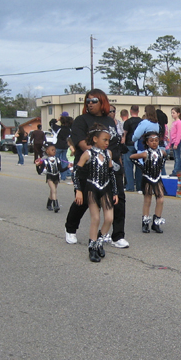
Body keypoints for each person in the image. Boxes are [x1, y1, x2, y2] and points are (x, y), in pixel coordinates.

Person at [64, 89, 129, 249]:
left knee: (118, 199)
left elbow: (113, 144)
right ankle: (70, 228)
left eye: (94, 100)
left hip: (110, 167)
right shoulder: (81, 120)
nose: (90, 103)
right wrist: (98, 155)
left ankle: (117, 236)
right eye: (88, 101)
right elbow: (81, 142)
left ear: (102, 102)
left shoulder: (109, 121)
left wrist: (118, 164)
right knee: (84, 200)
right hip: (89, 167)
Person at [74, 126, 118, 262]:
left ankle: (99, 239)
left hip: (105, 189)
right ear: (95, 139)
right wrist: (79, 190)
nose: (107, 143)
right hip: (92, 189)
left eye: (108, 140)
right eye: (104, 140)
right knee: (96, 218)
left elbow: (111, 173)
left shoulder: (108, 154)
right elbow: (76, 172)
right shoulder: (88, 154)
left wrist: (115, 192)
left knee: (109, 218)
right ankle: (92, 248)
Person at [130, 130, 166, 233]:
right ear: (147, 142)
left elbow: (164, 158)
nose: (154, 142)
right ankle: (145, 222)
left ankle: (156, 222)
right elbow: (132, 157)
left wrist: (161, 166)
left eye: (156, 140)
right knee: (147, 200)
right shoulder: (145, 153)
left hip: (157, 178)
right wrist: (142, 167)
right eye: (151, 141)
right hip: (148, 178)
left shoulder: (161, 152)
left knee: (160, 199)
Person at [36, 143, 70, 212]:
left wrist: (67, 167)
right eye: (52, 150)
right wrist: (37, 166)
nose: (54, 151)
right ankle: (56, 205)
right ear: (47, 151)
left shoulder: (57, 160)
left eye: (55, 150)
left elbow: (61, 169)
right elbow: (40, 172)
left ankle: (49, 204)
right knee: (54, 190)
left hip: (56, 177)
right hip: (50, 177)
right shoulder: (45, 161)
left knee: (52, 192)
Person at [122, 105, 142, 192]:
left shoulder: (127, 122)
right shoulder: (142, 122)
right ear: (138, 111)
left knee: (128, 167)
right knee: (139, 166)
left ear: (130, 111)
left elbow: (124, 134)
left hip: (129, 145)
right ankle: (139, 187)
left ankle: (130, 186)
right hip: (139, 146)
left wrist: (122, 143)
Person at [55, 113, 73, 182]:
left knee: (56, 160)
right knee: (65, 161)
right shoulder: (70, 129)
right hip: (66, 146)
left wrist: (58, 119)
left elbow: (51, 122)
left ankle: (55, 174)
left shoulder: (58, 128)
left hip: (58, 146)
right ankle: (63, 177)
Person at [169, 106, 181, 176]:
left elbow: (179, 134)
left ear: (178, 114)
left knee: (177, 157)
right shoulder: (173, 123)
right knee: (175, 157)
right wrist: (170, 143)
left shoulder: (179, 122)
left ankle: (176, 171)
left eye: (173, 113)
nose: (172, 114)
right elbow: (171, 134)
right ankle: (178, 170)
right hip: (173, 142)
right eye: (171, 113)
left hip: (176, 142)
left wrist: (176, 143)